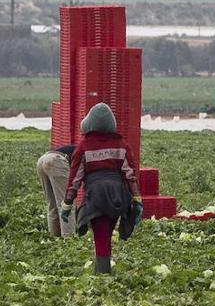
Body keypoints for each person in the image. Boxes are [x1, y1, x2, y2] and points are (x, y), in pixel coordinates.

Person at [62, 103, 142, 274]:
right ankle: (102, 272)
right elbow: (130, 175)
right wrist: (137, 199)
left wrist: (67, 203)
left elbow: (75, 178)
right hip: (117, 195)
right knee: (106, 234)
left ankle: (103, 276)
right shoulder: (122, 145)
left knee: (100, 236)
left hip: (96, 194)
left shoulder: (84, 147)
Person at [37, 143, 76, 236]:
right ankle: (68, 239)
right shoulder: (86, 155)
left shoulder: (79, 149)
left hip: (42, 159)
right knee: (66, 204)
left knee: (52, 204)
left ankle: (55, 237)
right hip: (57, 161)